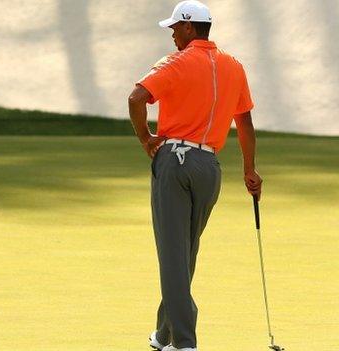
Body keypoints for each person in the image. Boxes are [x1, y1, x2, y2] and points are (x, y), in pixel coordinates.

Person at [127, 1, 262, 350]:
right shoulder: (235, 66)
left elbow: (137, 96)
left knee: (173, 256)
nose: (171, 34)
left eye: (175, 27)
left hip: (175, 161)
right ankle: (164, 334)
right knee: (184, 254)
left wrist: (145, 138)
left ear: (189, 27)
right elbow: (244, 122)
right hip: (209, 168)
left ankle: (185, 343)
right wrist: (249, 169)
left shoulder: (176, 61)